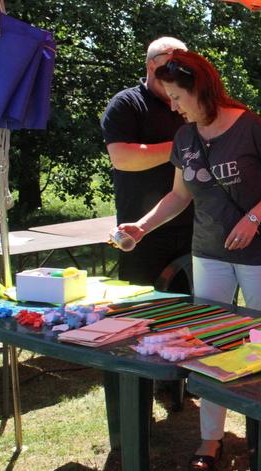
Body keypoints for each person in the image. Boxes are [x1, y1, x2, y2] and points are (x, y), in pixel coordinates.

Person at [117, 49, 261, 471]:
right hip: (208, 254)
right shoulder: (184, 137)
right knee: (209, 345)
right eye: (169, 98)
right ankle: (210, 438)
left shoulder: (250, 126)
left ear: (200, 89)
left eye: (178, 97)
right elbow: (179, 196)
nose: (173, 107)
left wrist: (253, 219)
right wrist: (142, 226)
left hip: (257, 254)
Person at [101, 37, 193, 291]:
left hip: (195, 227)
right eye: (172, 62)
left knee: (196, 308)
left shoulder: (190, 102)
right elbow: (122, 159)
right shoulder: (127, 103)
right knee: (142, 306)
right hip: (142, 230)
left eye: (184, 64)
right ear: (152, 65)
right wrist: (182, 147)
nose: (179, 70)